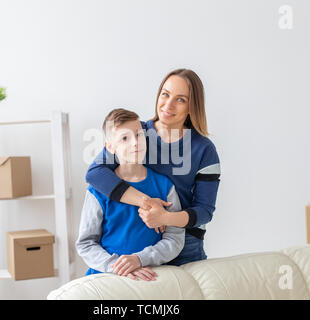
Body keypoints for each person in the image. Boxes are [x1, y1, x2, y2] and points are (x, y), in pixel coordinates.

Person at [86, 69, 221, 266]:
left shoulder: (204, 149)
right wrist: (148, 203)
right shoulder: (135, 132)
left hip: (184, 243)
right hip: (137, 237)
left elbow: (204, 211)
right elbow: (95, 174)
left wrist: (166, 217)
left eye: (180, 99)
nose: (168, 104)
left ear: (192, 107)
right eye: (165, 94)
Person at [76, 108, 185, 281]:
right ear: (110, 147)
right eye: (125, 138)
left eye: (139, 135)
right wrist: (118, 266)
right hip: (106, 276)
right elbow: (86, 243)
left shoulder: (165, 186)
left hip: (151, 276)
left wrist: (140, 259)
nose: (135, 142)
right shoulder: (97, 190)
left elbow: (175, 239)